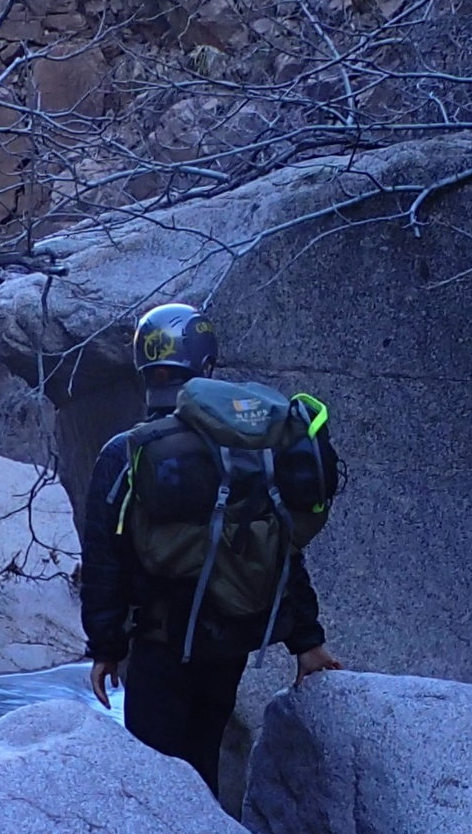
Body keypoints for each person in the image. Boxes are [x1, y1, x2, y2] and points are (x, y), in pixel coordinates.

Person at [80, 302, 341, 794]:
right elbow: (281, 545)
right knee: (204, 760)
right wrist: (306, 641)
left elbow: (103, 557)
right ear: (206, 366)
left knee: (156, 781)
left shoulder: (127, 451)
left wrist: (105, 646)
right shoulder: (249, 451)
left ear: (143, 367)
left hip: (159, 646)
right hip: (229, 643)